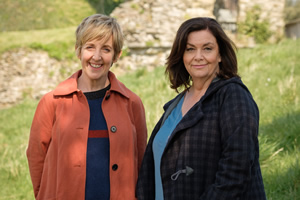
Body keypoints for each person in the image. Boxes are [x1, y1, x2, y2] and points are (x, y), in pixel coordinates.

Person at [136, 17, 266, 200]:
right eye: (190, 49)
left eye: (207, 48)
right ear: (182, 56)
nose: (198, 56)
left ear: (220, 54)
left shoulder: (233, 96)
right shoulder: (175, 105)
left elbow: (236, 172)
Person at [26, 14, 147, 200]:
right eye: (90, 47)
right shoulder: (52, 102)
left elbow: (141, 162)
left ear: (117, 55)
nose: (96, 57)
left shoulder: (132, 103)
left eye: (106, 49)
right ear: (78, 50)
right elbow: (36, 158)